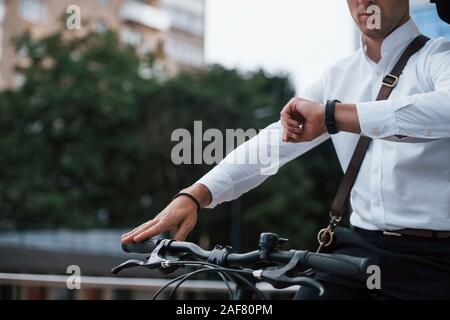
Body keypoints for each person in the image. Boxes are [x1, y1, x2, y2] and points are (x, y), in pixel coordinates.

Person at [122, 0, 450, 299]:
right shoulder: (338, 76)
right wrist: (196, 194)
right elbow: (274, 141)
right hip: (358, 251)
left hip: (435, 261)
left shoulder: (439, 57)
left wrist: (332, 115)